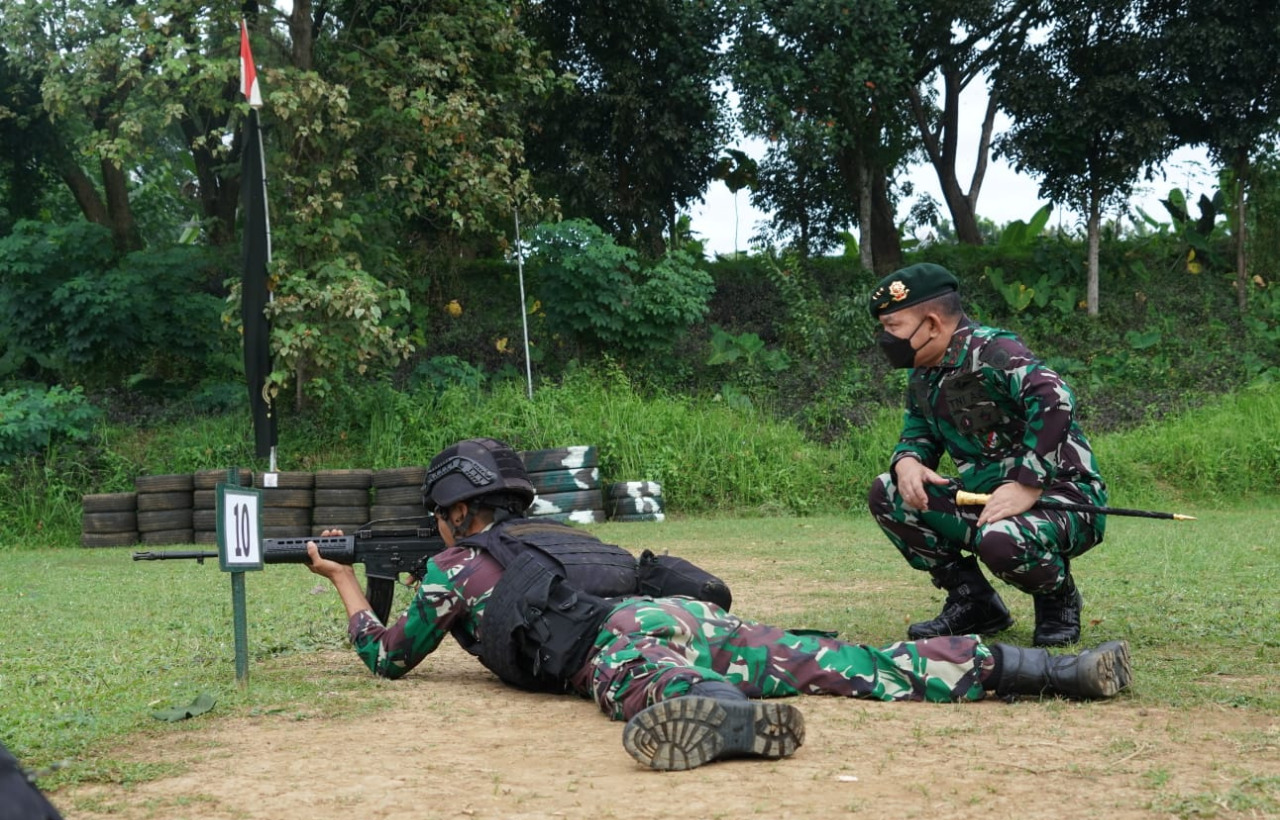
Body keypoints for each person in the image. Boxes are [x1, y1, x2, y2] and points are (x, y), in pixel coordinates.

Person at [307, 437, 1130, 772]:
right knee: (848, 662)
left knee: (643, 679)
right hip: (685, 613)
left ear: (455, 511)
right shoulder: (556, 531)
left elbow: (388, 656)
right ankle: (1047, 668)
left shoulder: (455, 565)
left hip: (620, 638)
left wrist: (346, 583)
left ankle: (722, 712)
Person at [866, 262, 1108, 647]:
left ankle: (1057, 598)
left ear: (931, 324)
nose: (885, 338)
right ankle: (974, 602)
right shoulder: (923, 374)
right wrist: (908, 461)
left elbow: (1055, 397)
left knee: (1001, 539)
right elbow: (919, 432)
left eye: (892, 327)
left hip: (1061, 498)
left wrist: (1028, 483)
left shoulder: (993, 350)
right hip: (987, 499)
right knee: (888, 492)